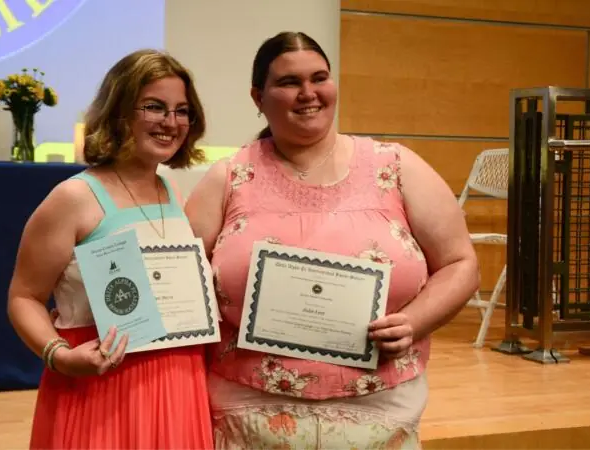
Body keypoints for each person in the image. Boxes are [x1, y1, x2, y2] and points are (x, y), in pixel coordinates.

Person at [185, 32, 479, 448]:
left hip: (377, 411)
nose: (308, 93)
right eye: (289, 82)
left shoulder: (394, 166)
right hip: (249, 413)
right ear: (258, 97)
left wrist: (415, 322)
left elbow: (460, 263)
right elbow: (180, 277)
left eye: (319, 78)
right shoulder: (229, 176)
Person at [7, 49, 214, 449]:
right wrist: (60, 356)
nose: (171, 123)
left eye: (182, 110)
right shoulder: (73, 197)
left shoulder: (171, 190)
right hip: (101, 385)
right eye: (154, 107)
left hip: (177, 384)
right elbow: (23, 296)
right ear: (120, 112)